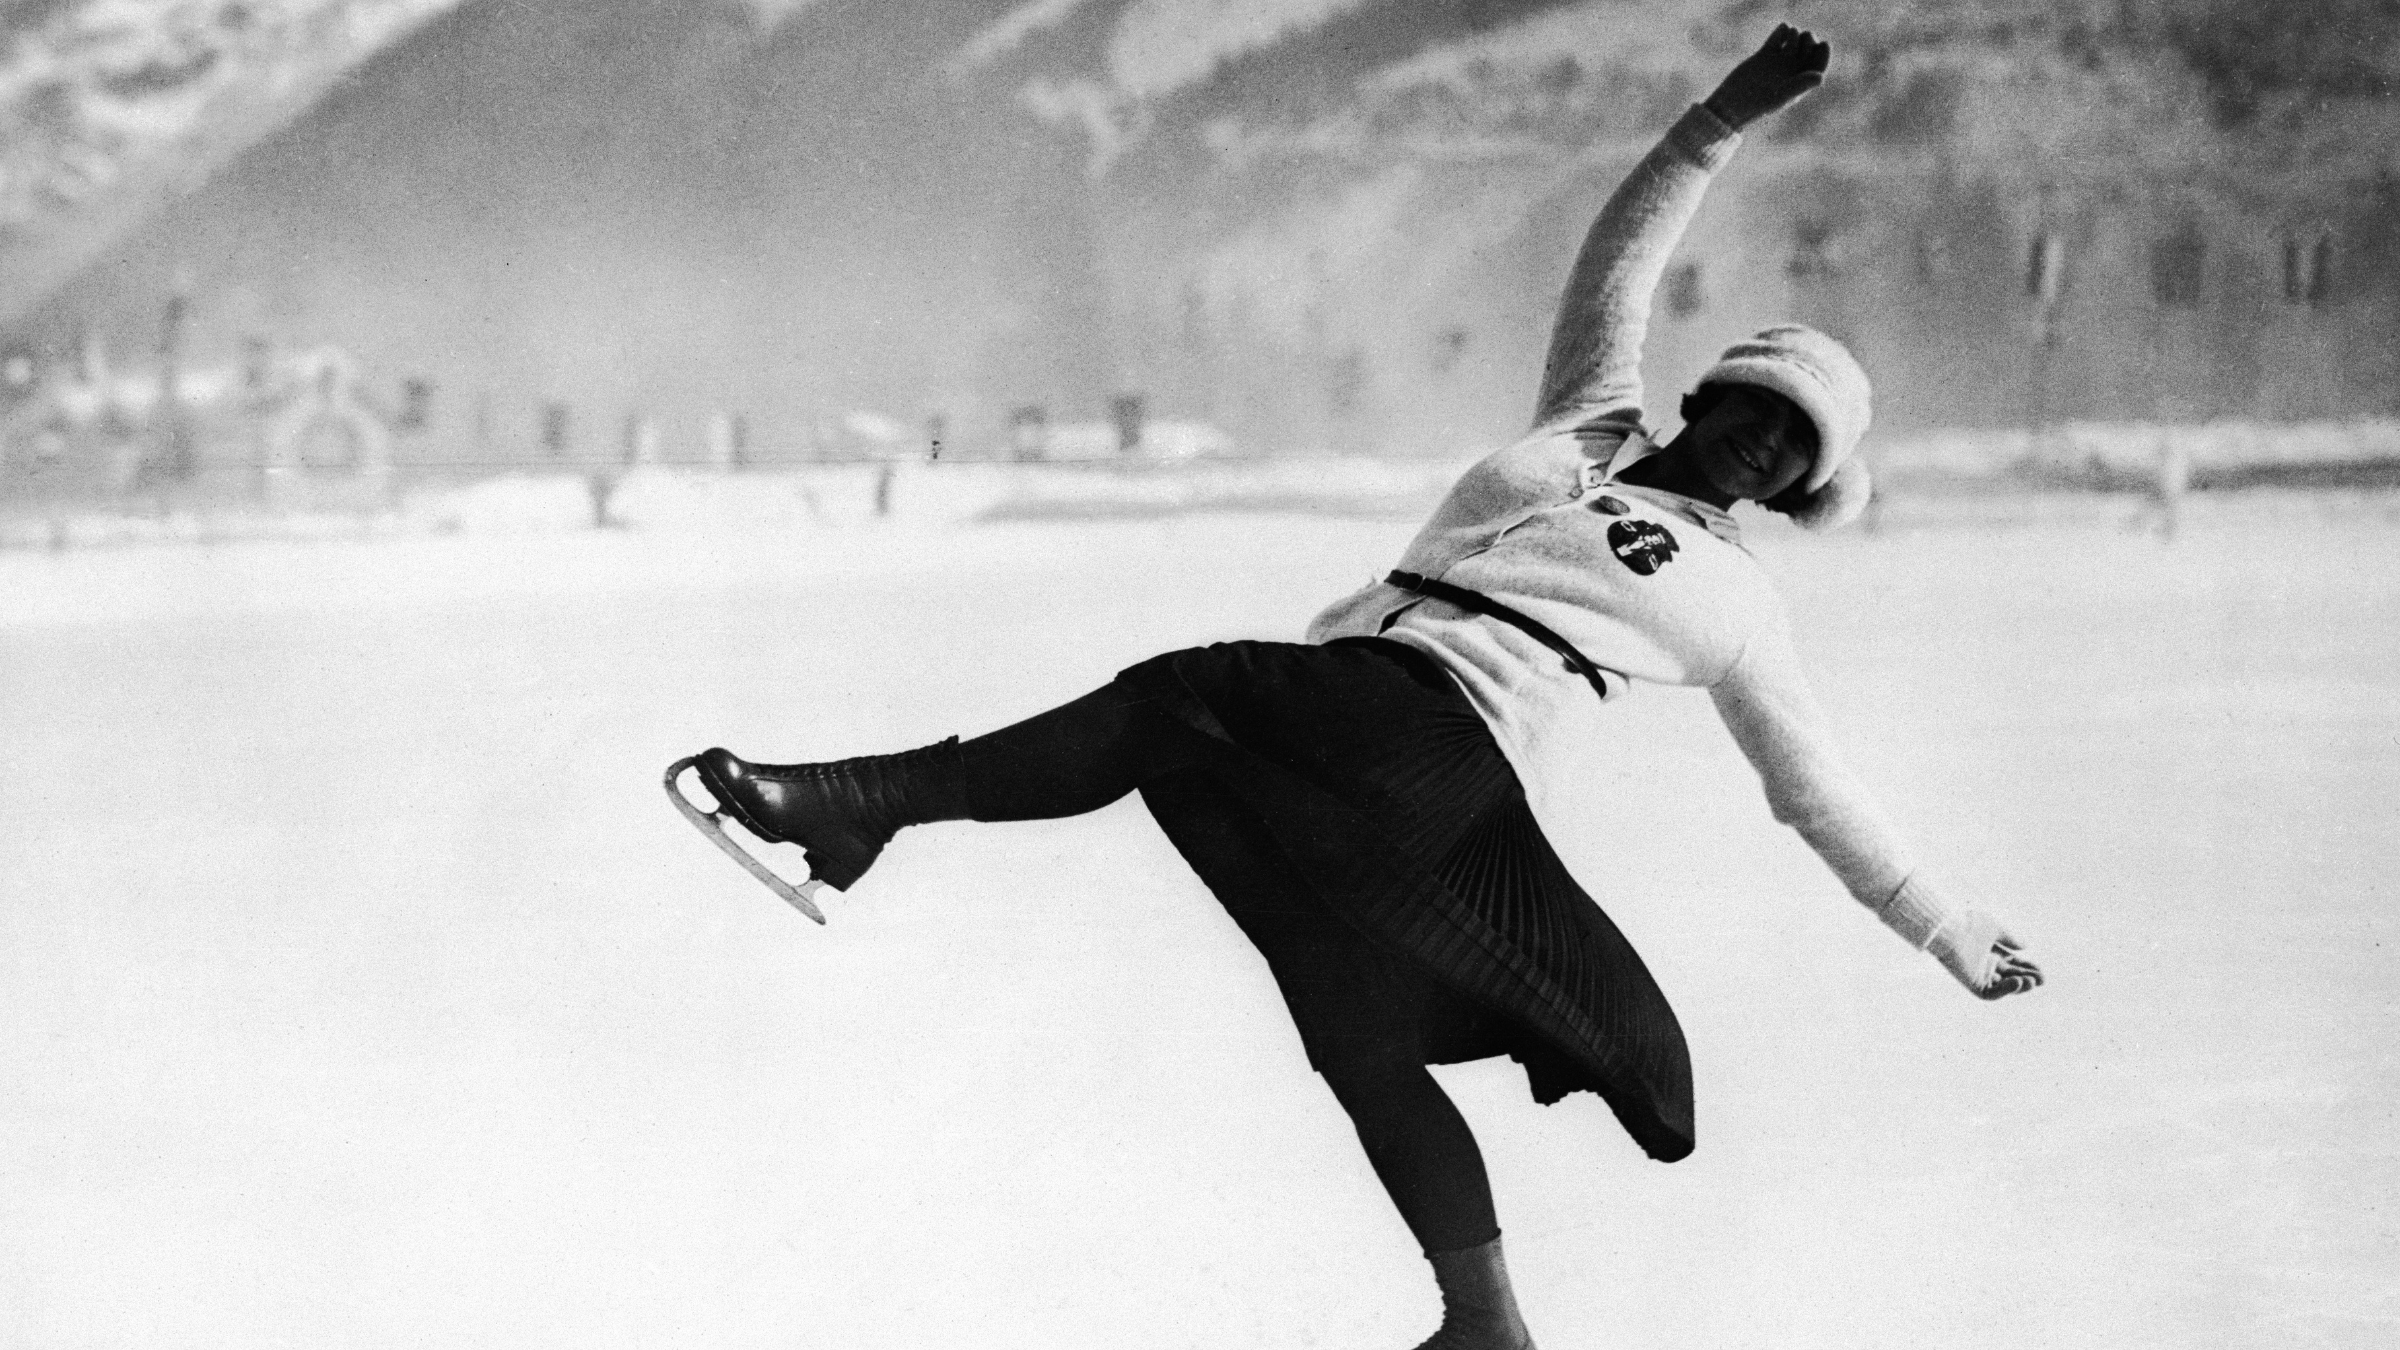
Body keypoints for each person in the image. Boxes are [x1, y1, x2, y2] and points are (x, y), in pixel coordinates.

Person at [675, 25, 2041, 1350]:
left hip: (1457, 750)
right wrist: (1726, 114)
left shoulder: (1737, 600)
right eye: (1753, 404)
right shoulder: (1588, 417)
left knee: (1184, 695)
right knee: (1357, 1028)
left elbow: (1814, 786)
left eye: (1791, 447)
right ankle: (1488, 1317)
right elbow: (1624, 247)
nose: (1759, 440)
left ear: (1801, 487)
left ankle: (856, 807)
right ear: (1705, 395)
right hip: (1361, 701)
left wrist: (1945, 923)